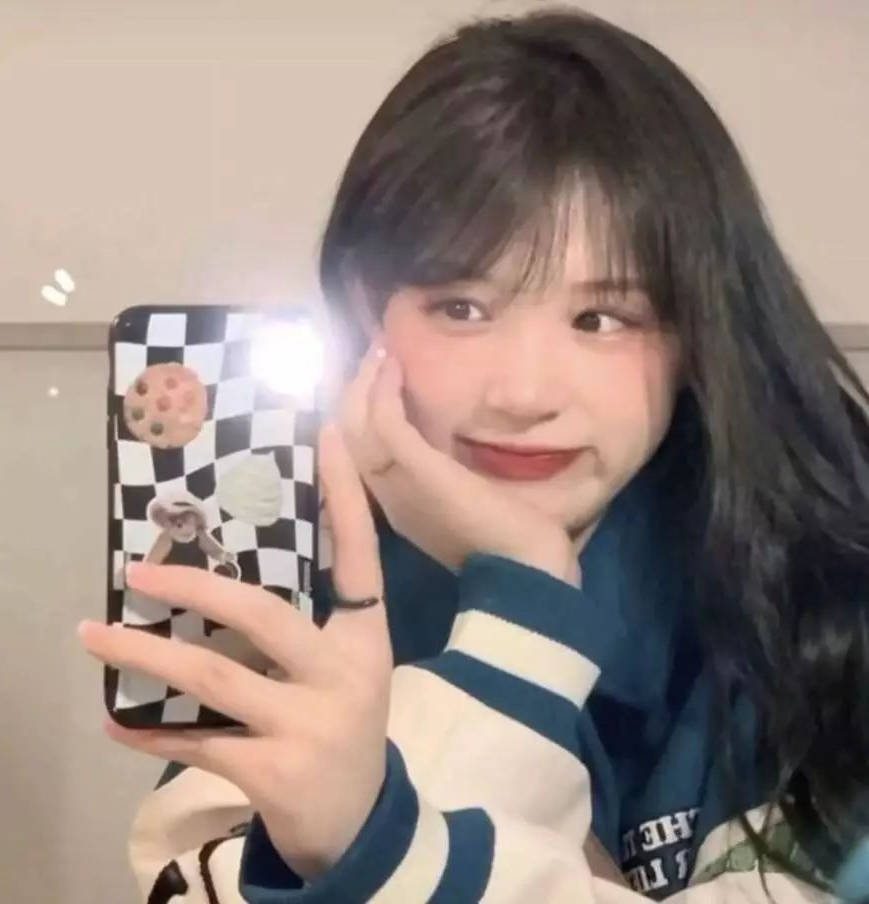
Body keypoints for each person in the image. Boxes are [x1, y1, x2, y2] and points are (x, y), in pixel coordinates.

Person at [80, 8, 869, 903]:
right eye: (461, 308)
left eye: (600, 319)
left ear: (697, 325)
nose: (523, 393)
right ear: (365, 306)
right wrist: (525, 596)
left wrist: (379, 844)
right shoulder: (287, 598)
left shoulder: (829, 598)